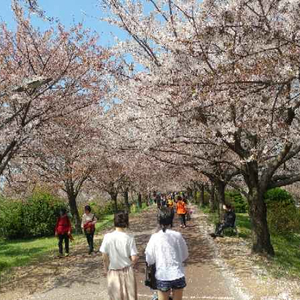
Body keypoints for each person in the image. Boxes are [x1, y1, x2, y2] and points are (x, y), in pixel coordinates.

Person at [145, 207, 188, 300]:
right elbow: (185, 255)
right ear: (171, 219)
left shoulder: (155, 237)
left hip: (162, 275)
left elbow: (149, 258)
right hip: (177, 274)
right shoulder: (177, 236)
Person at [100, 211, 139, 300]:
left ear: (114, 222)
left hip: (113, 272)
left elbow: (104, 256)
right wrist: (134, 262)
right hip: (127, 271)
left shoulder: (107, 237)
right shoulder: (129, 237)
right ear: (126, 222)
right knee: (130, 297)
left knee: (115, 297)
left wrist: (106, 269)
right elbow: (134, 257)